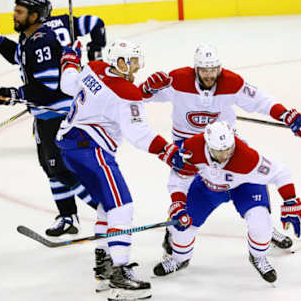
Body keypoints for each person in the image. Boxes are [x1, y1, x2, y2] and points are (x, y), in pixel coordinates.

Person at [56, 39, 197, 300]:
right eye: (132, 62)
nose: (136, 67)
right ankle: (120, 274)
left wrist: (69, 59)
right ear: (119, 62)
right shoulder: (126, 92)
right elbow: (139, 133)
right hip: (91, 149)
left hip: (69, 145)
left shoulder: (94, 67)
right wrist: (168, 152)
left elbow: (68, 84)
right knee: (122, 206)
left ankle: (104, 267)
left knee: (106, 206)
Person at [138, 43, 301, 253]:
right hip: (187, 146)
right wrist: (147, 88)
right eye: (204, 70)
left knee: (252, 176)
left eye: (213, 69)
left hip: (225, 143)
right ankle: (175, 227)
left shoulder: (232, 83)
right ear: (196, 69)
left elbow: (261, 101)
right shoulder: (178, 80)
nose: (209, 75)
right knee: (182, 187)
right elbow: (140, 98)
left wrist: (286, 115)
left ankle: (265, 227)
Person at [0, 0, 106, 237]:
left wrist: (12, 94)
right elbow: (21, 58)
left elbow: (48, 88)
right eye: (16, 10)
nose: (14, 14)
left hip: (59, 114)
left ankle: (106, 211)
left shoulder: (41, 40)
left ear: (35, 16)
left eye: (20, 12)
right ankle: (67, 216)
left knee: (61, 170)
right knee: (50, 167)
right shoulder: (32, 35)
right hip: (47, 115)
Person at [152, 121, 301, 283]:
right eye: (219, 151)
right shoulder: (191, 148)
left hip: (244, 186)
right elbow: (179, 176)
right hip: (208, 187)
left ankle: (258, 257)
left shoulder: (247, 157)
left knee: (261, 223)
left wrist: (290, 200)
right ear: (208, 145)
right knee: (182, 228)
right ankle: (180, 259)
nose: (225, 155)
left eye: (229, 149)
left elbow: (281, 173)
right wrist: (178, 202)